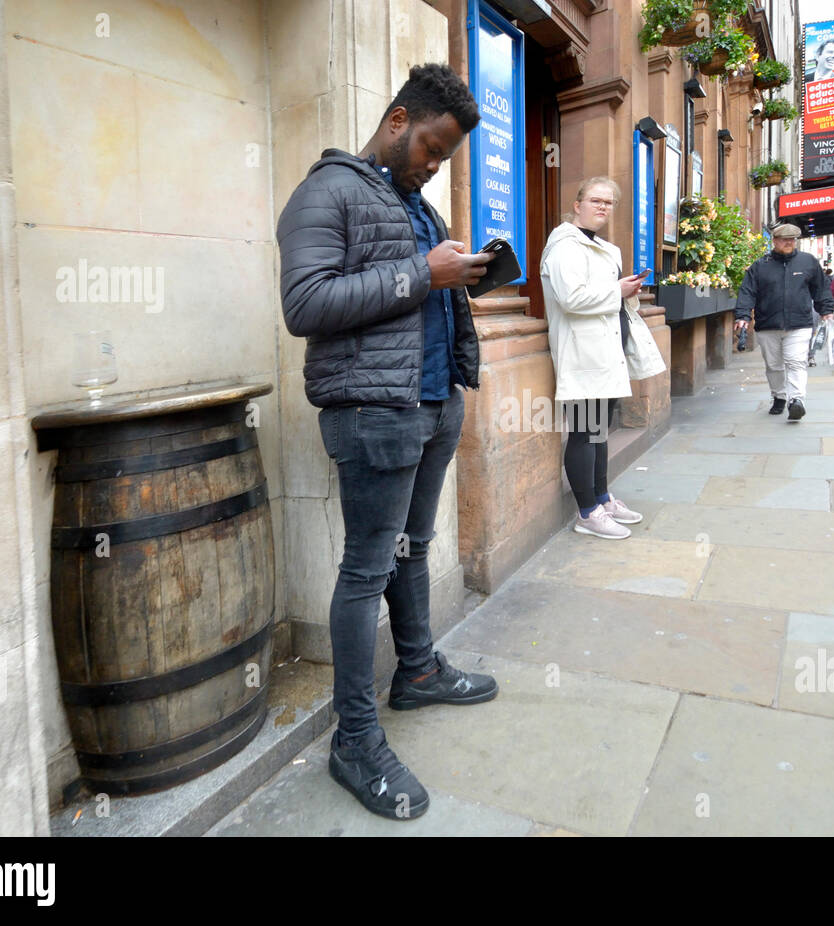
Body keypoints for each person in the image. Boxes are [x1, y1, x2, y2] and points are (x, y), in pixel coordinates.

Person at [277, 63, 499, 822]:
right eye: (432, 148)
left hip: (433, 405)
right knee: (365, 569)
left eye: (445, 158)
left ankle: (417, 672)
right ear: (399, 120)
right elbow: (305, 305)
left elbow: (423, 288)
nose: (435, 166)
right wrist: (420, 273)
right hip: (372, 413)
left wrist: (463, 274)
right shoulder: (325, 192)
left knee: (413, 546)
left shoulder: (415, 206)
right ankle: (355, 737)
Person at [540, 178, 666, 540]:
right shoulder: (564, 246)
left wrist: (626, 290)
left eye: (609, 203)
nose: (603, 207)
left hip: (608, 353)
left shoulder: (607, 249)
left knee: (600, 431)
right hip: (581, 355)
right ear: (577, 204)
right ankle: (587, 513)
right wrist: (618, 290)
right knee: (583, 433)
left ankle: (602, 498)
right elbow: (571, 298)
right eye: (596, 200)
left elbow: (602, 298)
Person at [735, 223, 834, 420]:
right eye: (784, 239)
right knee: (774, 365)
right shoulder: (760, 266)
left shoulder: (808, 262)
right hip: (767, 325)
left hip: (799, 324)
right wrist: (743, 315)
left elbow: (821, 288)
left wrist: (826, 310)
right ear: (775, 241)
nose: (789, 242)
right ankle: (779, 396)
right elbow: (747, 292)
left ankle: (796, 400)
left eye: (792, 239)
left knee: (796, 362)